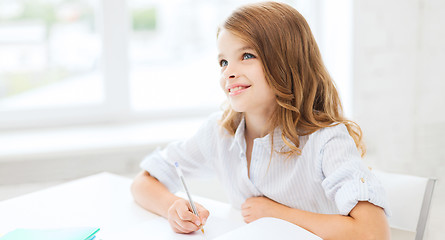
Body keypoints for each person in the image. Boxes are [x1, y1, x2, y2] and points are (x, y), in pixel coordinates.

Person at [131, 2, 390, 239]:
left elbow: (374, 232)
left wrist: (278, 214)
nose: (228, 73)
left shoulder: (327, 140)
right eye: (223, 61)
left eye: (246, 56)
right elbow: (143, 182)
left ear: (287, 62)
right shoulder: (219, 132)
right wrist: (171, 207)